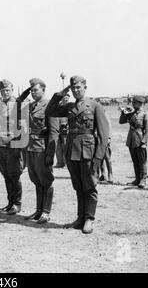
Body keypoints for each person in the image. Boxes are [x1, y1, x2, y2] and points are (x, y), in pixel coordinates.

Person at [45, 75, 110, 234]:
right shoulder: (69, 107)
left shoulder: (95, 106)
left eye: (78, 87)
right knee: (78, 186)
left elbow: (103, 136)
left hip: (88, 152)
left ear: (85, 87)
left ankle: (89, 219)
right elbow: (50, 110)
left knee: (89, 187)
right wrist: (61, 92)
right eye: (73, 88)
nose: (75, 90)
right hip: (72, 152)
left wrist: (98, 159)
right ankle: (80, 218)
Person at [25, 78, 59, 223]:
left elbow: (54, 131)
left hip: (42, 147)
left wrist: (50, 153)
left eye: (36, 90)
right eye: (31, 90)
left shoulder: (49, 106)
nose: (33, 93)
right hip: (31, 147)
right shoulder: (31, 106)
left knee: (46, 180)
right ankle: (38, 210)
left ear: (43, 90)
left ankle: (46, 212)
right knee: (36, 180)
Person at [0, 79, 26, 214]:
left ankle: (17, 204)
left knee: (14, 175)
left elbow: (23, 126)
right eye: (3, 91)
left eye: (7, 90)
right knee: (6, 174)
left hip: (13, 145)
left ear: (12, 90)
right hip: (0, 144)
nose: (5, 93)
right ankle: (10, 202)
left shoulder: (19, 104)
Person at [119, 95, 148, 188]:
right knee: (135, 161)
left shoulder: (145, 114)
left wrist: (144, 142)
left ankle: (143, 180)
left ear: (140, 103)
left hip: (140, 140)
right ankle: (137, 179)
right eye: (133, 102)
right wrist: (123, 112)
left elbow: (147, 130)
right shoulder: (131, 113)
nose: (133, 104)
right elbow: (121, 121)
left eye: (135, 102)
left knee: (142, 161)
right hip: (132, 140)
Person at [54, 94, 69, 168]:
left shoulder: (70, 107)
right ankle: (60, 162)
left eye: (67, 98)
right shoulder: (58, 107)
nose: (66, 100)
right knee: (58, 147)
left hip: (65, 131)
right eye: (64, 98)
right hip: (57, 129)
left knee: (65, 146)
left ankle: (66, 163)